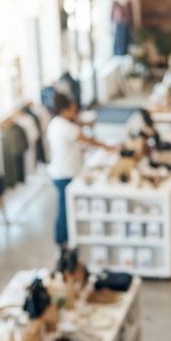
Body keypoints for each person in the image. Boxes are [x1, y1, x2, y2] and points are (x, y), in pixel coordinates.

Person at [47, 92, 114, 247]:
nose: (75, 111)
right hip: (65, 174)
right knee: (65, 209)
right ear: (64, 110)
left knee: (66, 207)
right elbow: (89, 140)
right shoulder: (66, 127)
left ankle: (65, 238)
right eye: (72, 109)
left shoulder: (55, 123)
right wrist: (109, 147)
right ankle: (62, 241)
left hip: (59, 172)